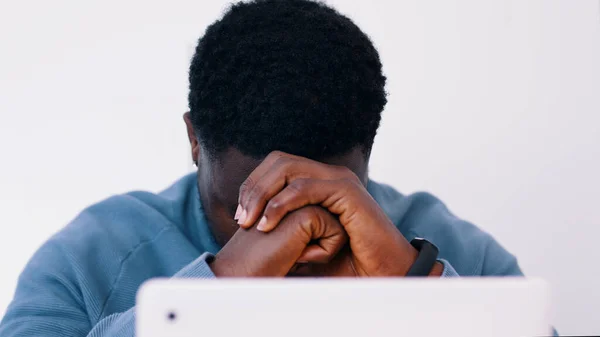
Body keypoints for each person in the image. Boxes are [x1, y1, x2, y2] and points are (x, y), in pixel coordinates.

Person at [0, 0, 526, 336]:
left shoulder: (466, 259)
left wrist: (414, 282)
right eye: (247, 207)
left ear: (368, 151)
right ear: (193, 140)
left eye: (321, 202)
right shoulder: (91, 257)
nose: (296, 232)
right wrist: (219, 283)